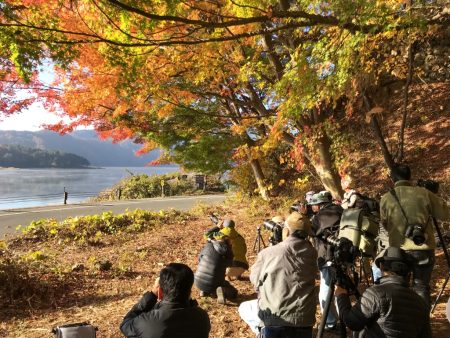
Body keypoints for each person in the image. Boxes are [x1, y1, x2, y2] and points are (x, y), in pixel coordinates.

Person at [379, 164, 449, 307]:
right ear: (410, 177)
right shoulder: (424, 193)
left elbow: (385, 224)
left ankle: (403, 322)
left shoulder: (386, 198)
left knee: (400, 287)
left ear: (392, 179)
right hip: (423, 248)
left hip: (398, 250)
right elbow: (445, 214)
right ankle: (422, 322)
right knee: (421, 286)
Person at [239, 211, 318, 338]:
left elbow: (255, 281)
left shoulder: (268, 253)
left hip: (275, 320)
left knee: (244, 307)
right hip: (305, 320)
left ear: (286, 231)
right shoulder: (312, 253)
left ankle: (260, 331)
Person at [335, 247, 431, 338]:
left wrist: (341, 296)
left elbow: (351, 322)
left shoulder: (375, 293)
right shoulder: (420, 302)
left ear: (381, 266)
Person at [120, 263, 210, 338]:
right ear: (190, 291)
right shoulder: (202, 317)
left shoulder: (145, 322)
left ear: (159, 292)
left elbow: (125, 325)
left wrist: (151, 295)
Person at [309, 191, 343, 331]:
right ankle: (346, 317)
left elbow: (311, 232)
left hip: (328, 257)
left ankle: (329, 322)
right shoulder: (342, 211)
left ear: (321, 204)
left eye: (314, 205)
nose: (312, 207)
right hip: (344, 254)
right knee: (342, 287)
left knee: (325, 291)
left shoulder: (319, 217)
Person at [194, 236, 237, 304]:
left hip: (197, 280)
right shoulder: (227, 251)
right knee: (234, 292)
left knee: (210, 278)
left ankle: (204, 291)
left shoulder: (208, 245)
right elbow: (231, 265)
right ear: (228, 244)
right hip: (214, 281)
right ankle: (223, 290)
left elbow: (199, 258)